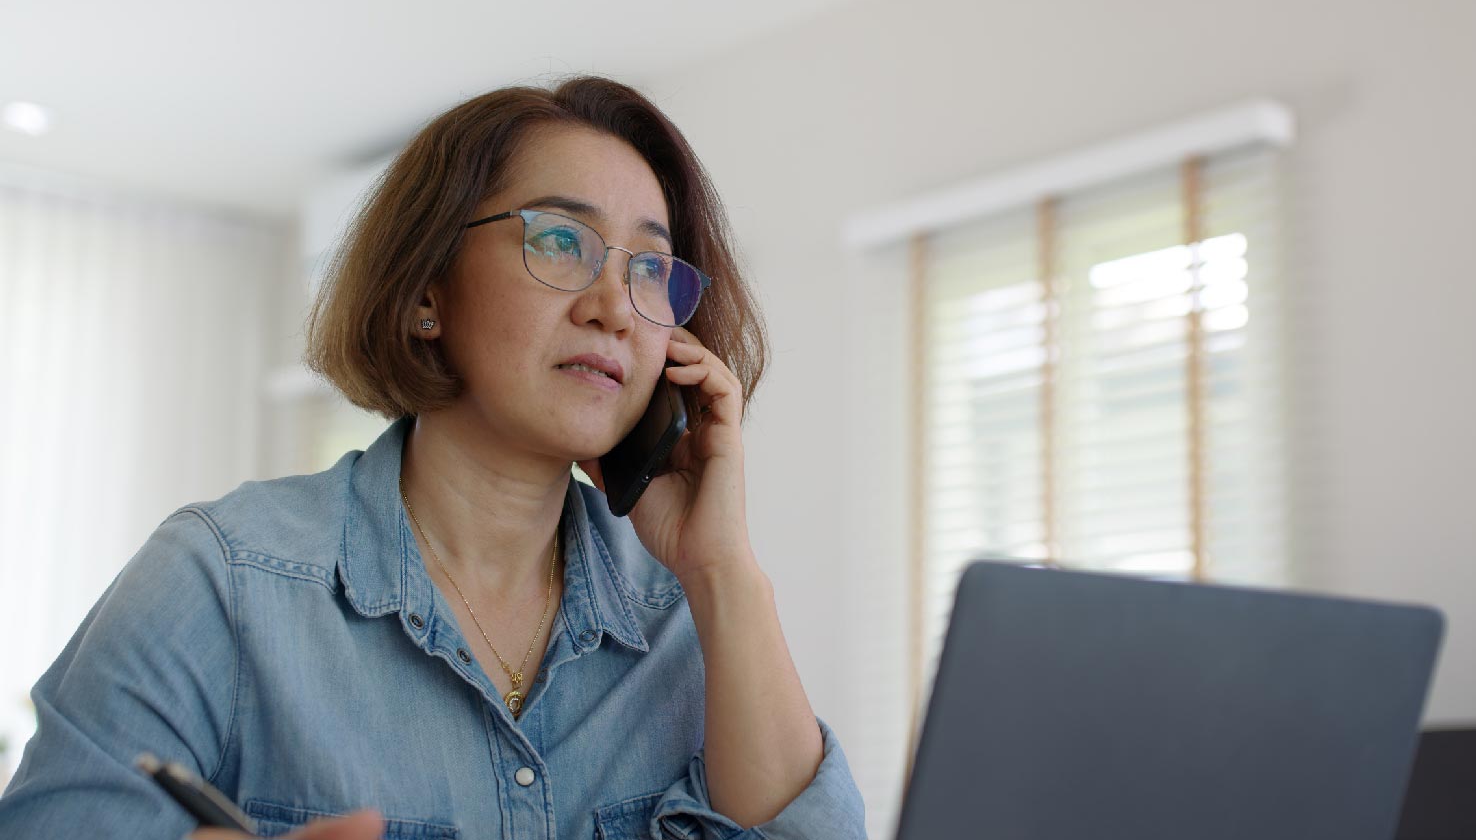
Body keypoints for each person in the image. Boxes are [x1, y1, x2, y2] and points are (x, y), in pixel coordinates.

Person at [0, 76, 867, 839]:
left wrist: (723, 574)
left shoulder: (686, 616)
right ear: (426, 293)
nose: (614, 305)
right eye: (561, 240)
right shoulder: (221, 580)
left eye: (651, 268)